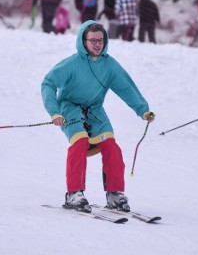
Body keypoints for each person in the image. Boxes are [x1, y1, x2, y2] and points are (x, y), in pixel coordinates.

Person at [41, 21, 155, 213]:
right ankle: (74, 193)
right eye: (92, 40)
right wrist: (54, 112)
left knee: (112, 147)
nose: (97, 44)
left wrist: (142, 110)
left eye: (100, 40)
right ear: (83, 41)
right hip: (70, 109)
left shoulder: (109, 65)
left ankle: (114, 194)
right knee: (80, 142)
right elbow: (48, 83)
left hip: (95, 111)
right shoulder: (72, 63)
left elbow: (126, 88)